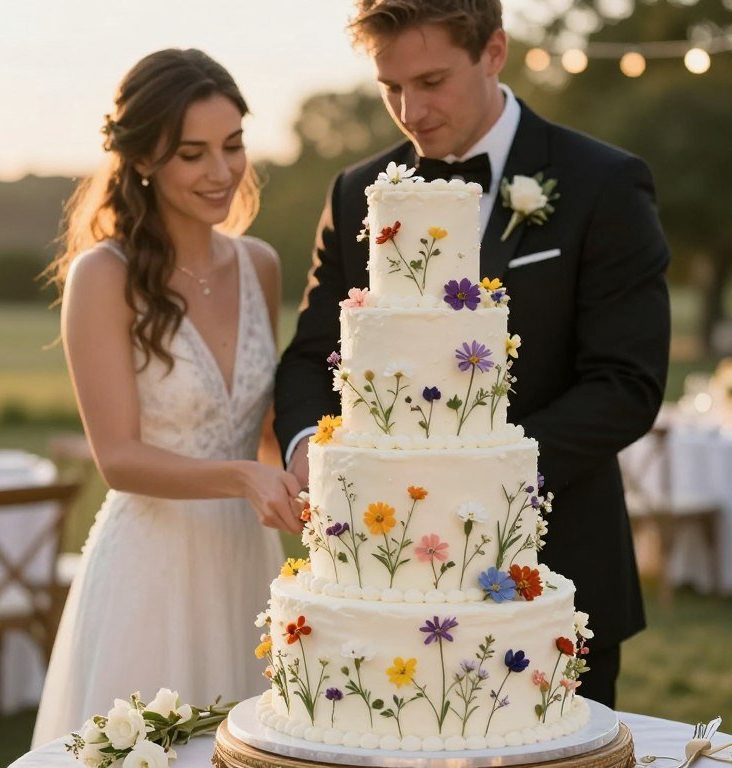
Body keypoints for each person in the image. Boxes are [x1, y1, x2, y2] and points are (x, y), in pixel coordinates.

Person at [274, 0, 670, 708]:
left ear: (494, 52)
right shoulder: (357, 191)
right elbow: (310, 356)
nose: (410, 110)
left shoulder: (602, 183)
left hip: (554, 570)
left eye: (431, 81)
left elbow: (626, 383)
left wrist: (479, 477)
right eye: (390, 87)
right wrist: (307, 443)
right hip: (385, 590)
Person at [31, 48, 302, 747]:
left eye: (233, 146)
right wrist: (243, 475)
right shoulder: (103, 276)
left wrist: (305, 473)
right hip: (151, 571)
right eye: (193, 153)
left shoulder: (260, 265)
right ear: (146, 159)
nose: (222, 172)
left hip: (249, 562)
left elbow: (261, 423)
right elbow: (117, 458)